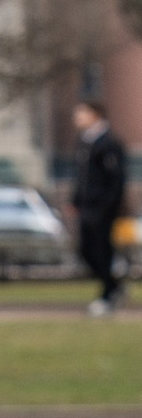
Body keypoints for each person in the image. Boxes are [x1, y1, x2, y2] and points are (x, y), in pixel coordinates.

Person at [74, 98, 129, 314]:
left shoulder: (109, 144)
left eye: (81, 113)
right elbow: (82, 177)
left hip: (103, 210)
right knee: (86, 250)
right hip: (87, 208)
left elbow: (115, 181)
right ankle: (114, 285)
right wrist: (76, 200)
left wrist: (107, 206)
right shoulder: (84, 142)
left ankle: (108, 294)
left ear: (95, 115)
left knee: (101, 250)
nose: (76, 118)